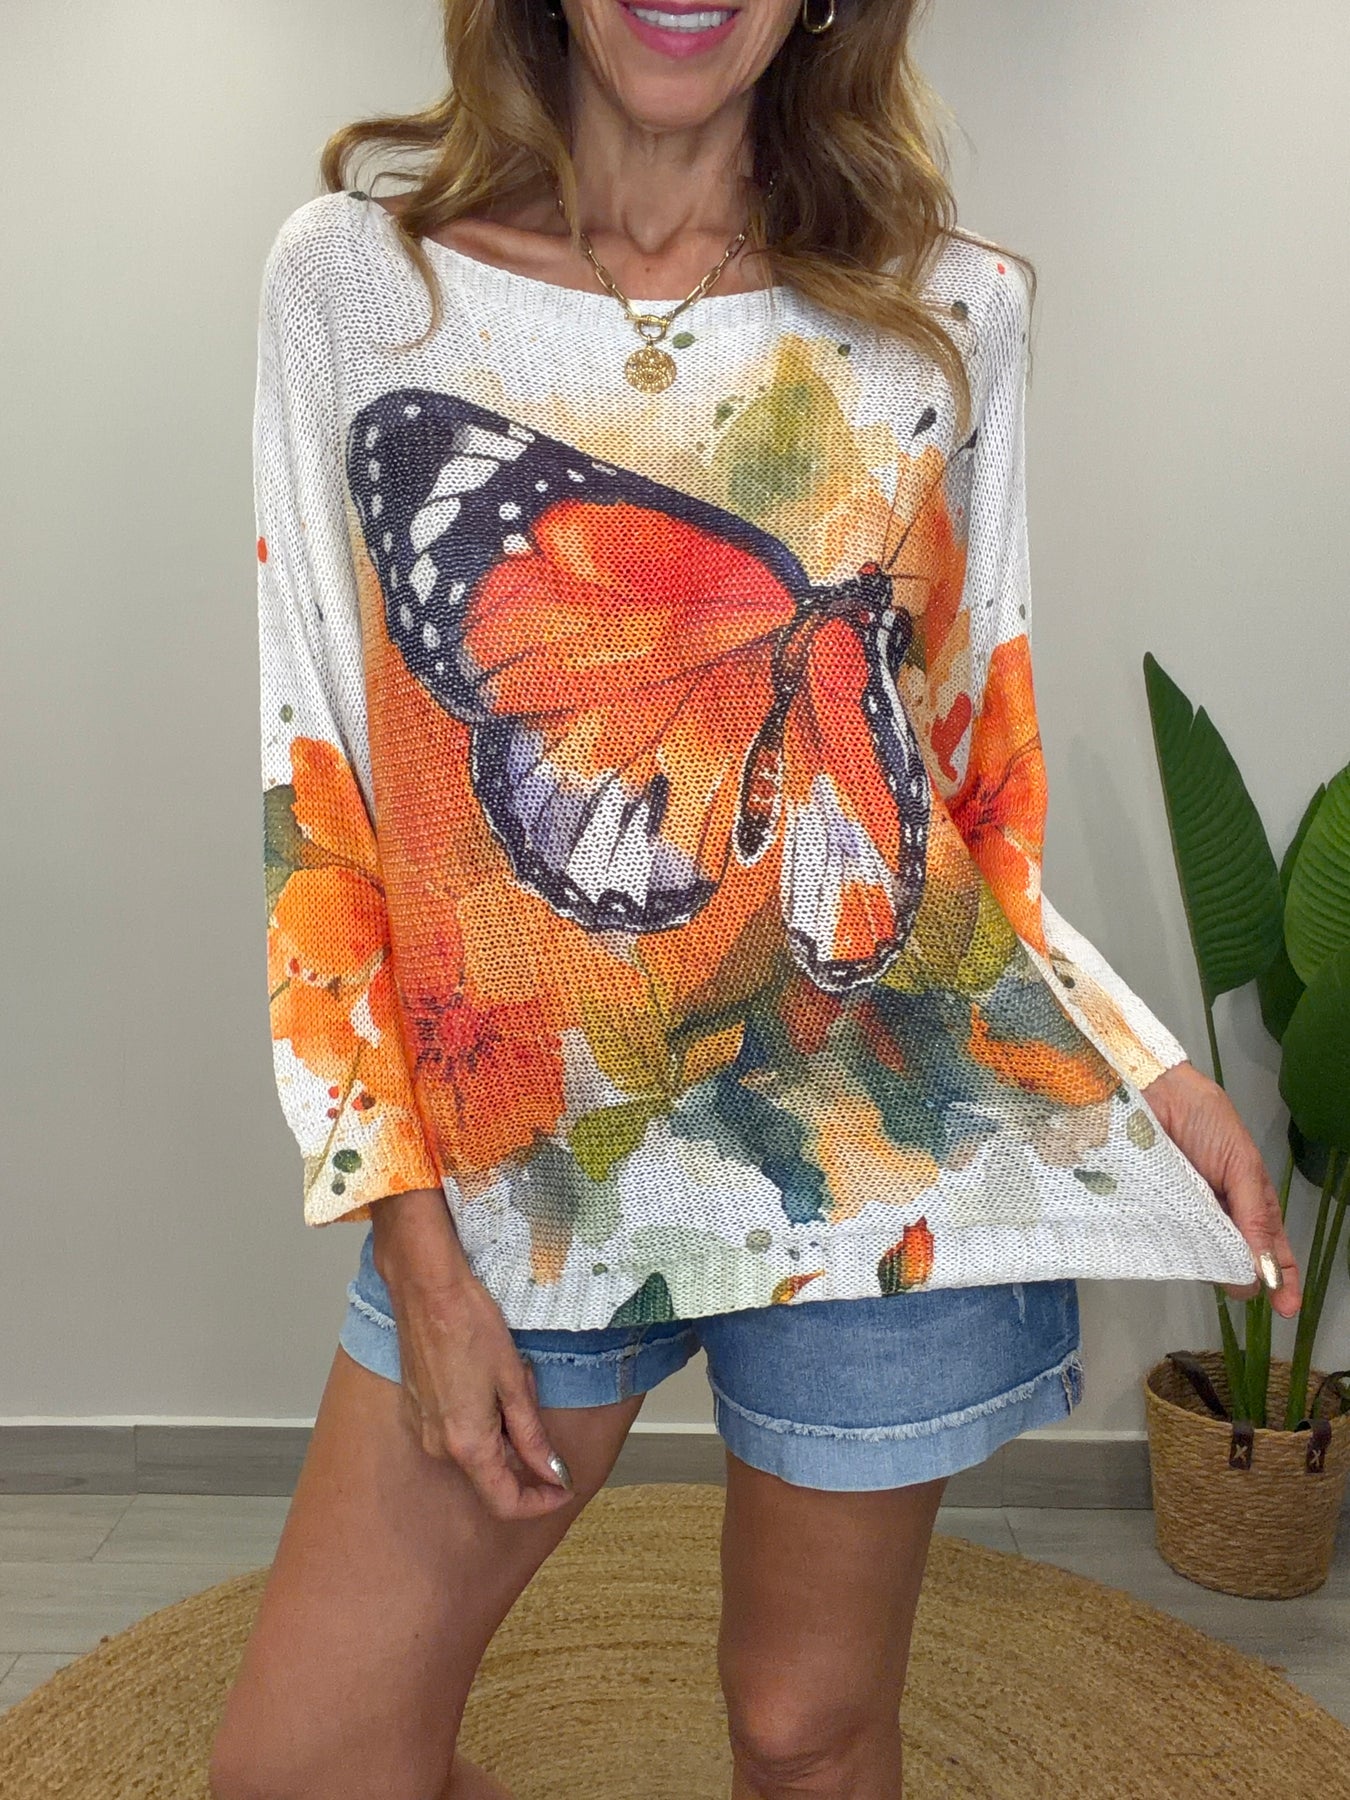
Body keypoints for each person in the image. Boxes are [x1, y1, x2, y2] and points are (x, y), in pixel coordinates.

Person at [211, 2, 1301, 1795]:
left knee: (808, 1736)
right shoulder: (361, 287)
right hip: (524, 1166)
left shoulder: (949, 313)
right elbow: (319, 792)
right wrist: (412, 1240)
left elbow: (967, 797)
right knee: (307, 1770)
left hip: (873, 1126)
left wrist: (1139, 1061)